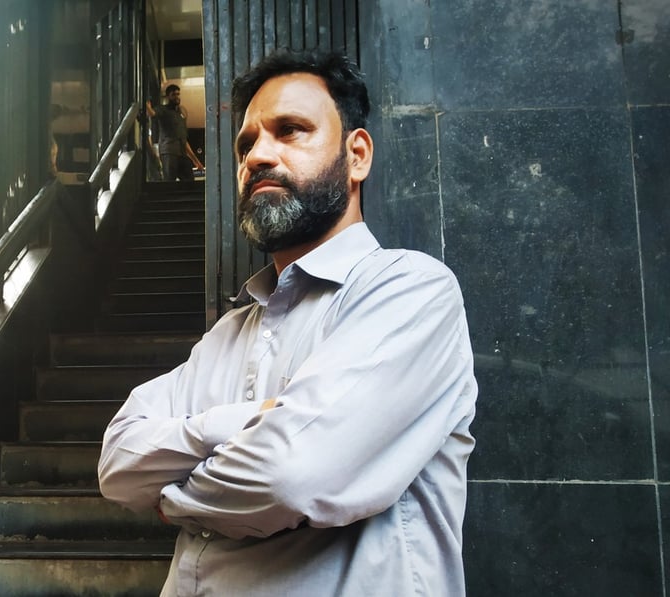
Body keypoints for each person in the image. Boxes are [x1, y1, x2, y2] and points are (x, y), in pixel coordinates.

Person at [98, 49, 477, 596]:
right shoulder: (226, 335)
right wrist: (248, 420)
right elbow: (118, 459)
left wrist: (174, 498)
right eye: (246, 143)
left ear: (357, 156)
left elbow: (291, 476)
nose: (257, 156)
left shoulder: (411, 290)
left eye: (291, 131)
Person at [146, 84, 204, 181]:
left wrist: (196, 161)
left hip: (181, 152)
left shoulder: (180, 114)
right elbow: (152, 113)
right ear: (168, 96)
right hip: (169, 151)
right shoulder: (163, 110)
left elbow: (184, 140)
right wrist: (146, 105)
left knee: (189, 179)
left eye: (178, 94)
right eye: (173, 94)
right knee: (170, 181)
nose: (177, 97)